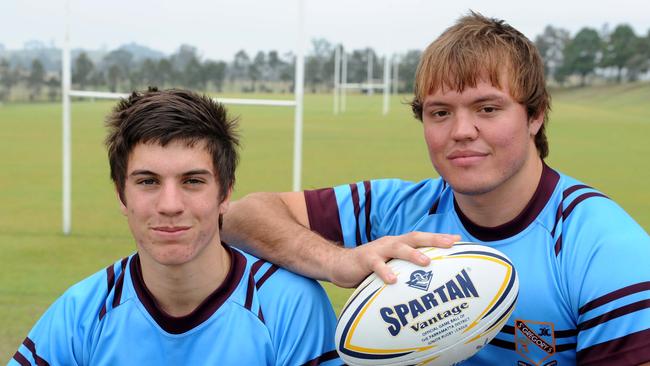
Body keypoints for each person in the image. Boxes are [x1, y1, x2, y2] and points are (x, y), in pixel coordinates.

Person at [222, 12, 650, 366]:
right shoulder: (401, 210)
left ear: (535, 115)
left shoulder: (605, 248)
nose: (462, 131)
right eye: (440, 112)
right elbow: (241, 218)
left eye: (487, 108)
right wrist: (338, 261)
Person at [10, 88, 340, 366]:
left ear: (225, 193)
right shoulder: (81, 314)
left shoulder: (291, 307)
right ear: (121, 195)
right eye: (148, 181)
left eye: (193, 181)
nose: (170, 205)